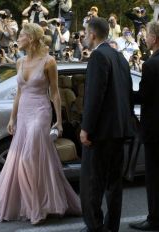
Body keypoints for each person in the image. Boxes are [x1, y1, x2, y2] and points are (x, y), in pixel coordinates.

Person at [0, 22, 81, 224]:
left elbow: (54, 92)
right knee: (28, 159)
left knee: (27, 158)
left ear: (32, 38)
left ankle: (38, 207)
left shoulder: (49, 62)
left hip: (41, 112)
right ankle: (37, 205)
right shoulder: (20, 62)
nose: (17, 39)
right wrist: (12, 118)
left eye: (21, 35)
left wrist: (59, 122)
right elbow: (19, 93)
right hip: (24, 112)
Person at [79, 17, 135, 232]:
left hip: (100, 134)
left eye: (85, 32)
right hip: (119, 131)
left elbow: (95, 96)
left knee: (93, 183)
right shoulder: (120, 57)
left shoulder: (98, 56)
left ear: (93, 34)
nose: (84, 36)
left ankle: (95, 226)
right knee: (114, 184)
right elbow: (126, 94)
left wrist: (86, 128)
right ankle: (112, 227)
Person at [129, 20, 159, 232]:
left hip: (155, 131)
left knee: (154, 177)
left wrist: (123, 93)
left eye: (147, 35)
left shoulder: (151, 65)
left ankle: (154, 219)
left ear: (154, 38)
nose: (145, 38)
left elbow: (143, 96)